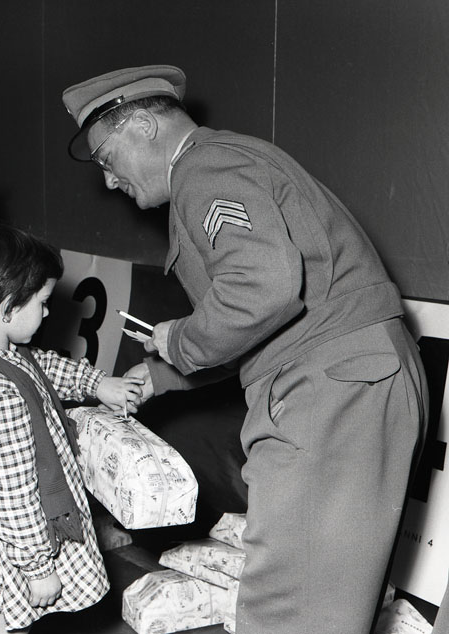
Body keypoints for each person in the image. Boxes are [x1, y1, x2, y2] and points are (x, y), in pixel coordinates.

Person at [62, 64, 428, 634]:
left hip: (328, 391)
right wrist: (165, 374)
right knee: (320, 606)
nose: (109, 182)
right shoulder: (227, 163)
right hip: (350, 380)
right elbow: (262, 325)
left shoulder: (203, 169)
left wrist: (178, 338)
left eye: (107, 159)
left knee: (291, 612)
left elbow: (264, 286)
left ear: (142, 125)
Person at [0, 223, 143, 633]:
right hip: (6, 543)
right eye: (42, 302)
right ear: (8, 306)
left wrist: (96, 384)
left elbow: (39, 366)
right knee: (6, 624)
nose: (48, 312)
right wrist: (38, 567)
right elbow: (13, 493)